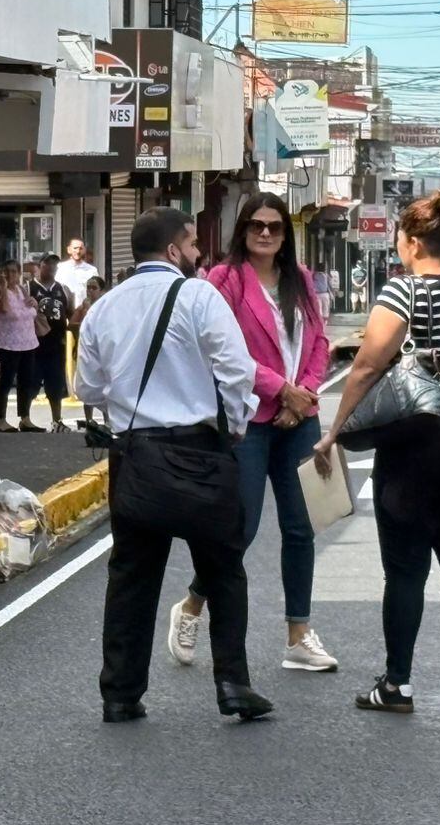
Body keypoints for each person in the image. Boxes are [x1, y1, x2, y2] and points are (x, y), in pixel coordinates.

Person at [315, 189, 440, 716]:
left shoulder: (402, 293)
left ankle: (397, 685)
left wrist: (333, 433)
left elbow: (363, 369)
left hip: (416, 456)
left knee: (405, 572)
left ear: (409, 243)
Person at [76, 207, 272, 723]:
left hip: (135, 456)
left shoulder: (104, 307)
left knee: (131, 577)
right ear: (172, 251)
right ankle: (232, 684)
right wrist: (234, 424)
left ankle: (119, 695)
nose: (198, 253)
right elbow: (237, 370)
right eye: (191, 244)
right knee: (223, 571)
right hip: (199, 451)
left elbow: (87, 389)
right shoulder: (199, 295)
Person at [165, 194, 338, 676]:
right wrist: (281, 390)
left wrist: (303, 392)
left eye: (275, 227)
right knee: (240, 528)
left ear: (286, 233)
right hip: (249, 421)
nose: (265, 234)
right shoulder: (222, 281)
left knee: (302, 528)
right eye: (256, 225)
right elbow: (224, 352)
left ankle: (299, 633)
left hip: (298, 419)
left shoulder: (300, 280)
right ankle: (194, 605)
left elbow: (320, 342)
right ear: (242, 230)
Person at [0, 261, 42, 433]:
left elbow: (30, 311)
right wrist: (3, 288)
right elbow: (3, 309)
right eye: (6, 272)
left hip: (28, 341)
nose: (10, 275)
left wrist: (35, 304)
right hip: (8, 343)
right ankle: (0, 419)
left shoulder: (22, 290)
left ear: (18, 274)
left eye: (13, 272)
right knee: (6, 380)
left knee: (26, 381)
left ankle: (25, 418)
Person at [28, 254, 75, 432]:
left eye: (54, 264)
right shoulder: (29, 287)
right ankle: (26, 418)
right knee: (31, 382)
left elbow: (71, 313)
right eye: (47, 264)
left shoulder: (63, 289)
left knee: (55, 384)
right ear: (40, 265)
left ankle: (57, 420)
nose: (51, 267)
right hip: (34, 344)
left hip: (57, 343)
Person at [71, 275, 107, 428]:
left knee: (105, 384)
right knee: (87, 382)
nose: (90, 291)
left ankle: (108, 420)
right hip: (86, 347)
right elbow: (72, 323)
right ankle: (88, 419)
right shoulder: (83, 305)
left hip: (103, 348)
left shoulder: (106, 304)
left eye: (94, 288)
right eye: (88, 287)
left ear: (101, 290)